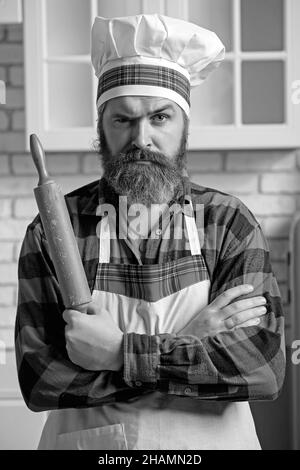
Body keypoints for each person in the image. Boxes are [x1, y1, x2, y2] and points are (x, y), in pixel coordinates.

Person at [15, 14, 285, 450]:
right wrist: (191, 343)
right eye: (123, 120)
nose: (142, 138)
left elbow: (261, 369)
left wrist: (119, 352)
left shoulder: (228, 222)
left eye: (160, 118)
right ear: (101, 128)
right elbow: (43, 381)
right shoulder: (55, 228)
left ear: (184, 128)